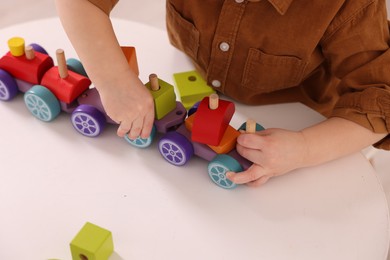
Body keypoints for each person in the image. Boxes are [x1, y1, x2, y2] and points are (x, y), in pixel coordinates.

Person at [55, 0, 389, 187]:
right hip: (186, 67)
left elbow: (381, 96)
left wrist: (304, 148)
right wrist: (113, 80)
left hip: (294, 111)